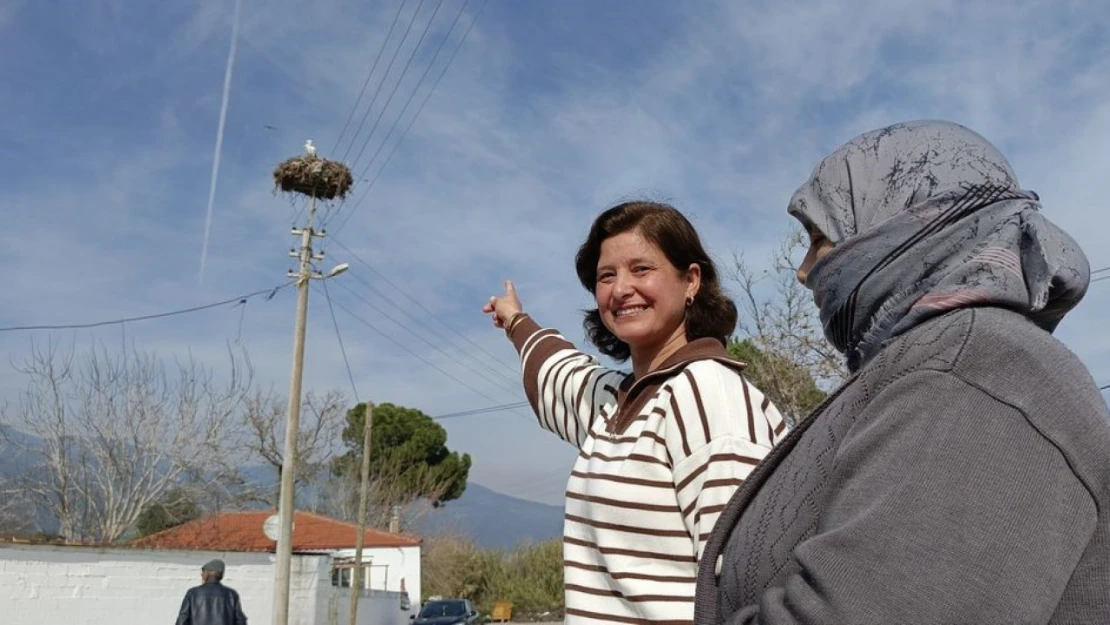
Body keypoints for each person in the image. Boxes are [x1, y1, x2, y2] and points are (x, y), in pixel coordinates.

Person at [694, 120, 1110, 625]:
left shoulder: (980, 371)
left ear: (904, 227)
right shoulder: (941, 361)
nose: (803, 272)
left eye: (818, 238)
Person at [484, 200, 786, 624]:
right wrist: (515, 319)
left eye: (641, 269)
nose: (620, 288)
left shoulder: (707, 394)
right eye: (606, 276)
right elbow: (558, 372)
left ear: (691, 280)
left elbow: (745, 583)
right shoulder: (619, 400)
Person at [175, 559, 248, 625]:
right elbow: (240, 621)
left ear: (207, 573)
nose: (201, 574)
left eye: (203, 572)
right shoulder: (231, 594)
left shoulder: (193, 593)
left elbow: (182, 620)